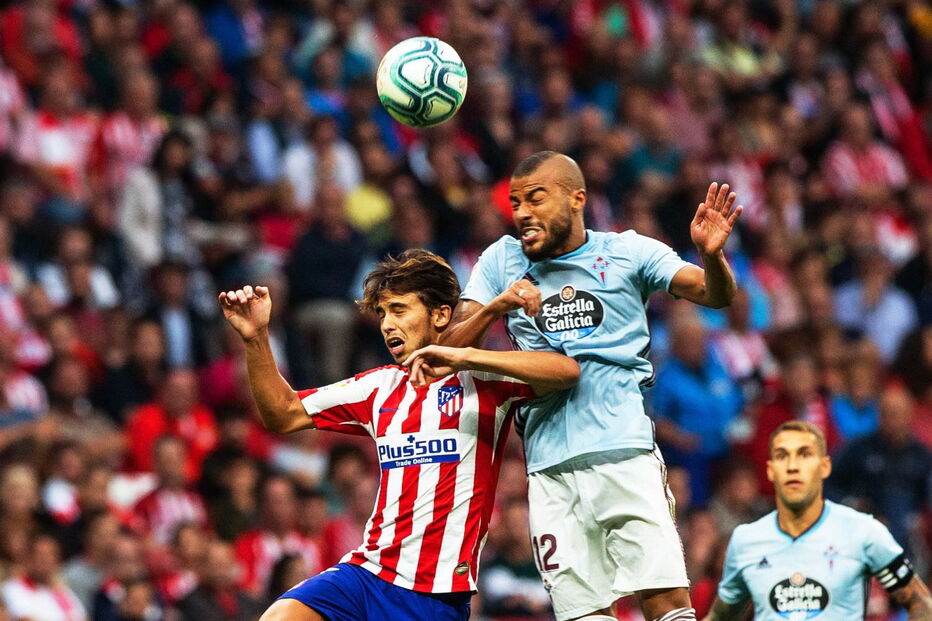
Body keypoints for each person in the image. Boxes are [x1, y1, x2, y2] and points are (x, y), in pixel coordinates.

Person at [442, 150, 743, 621]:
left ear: (576, 198)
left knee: (667, 606)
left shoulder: (628, 251)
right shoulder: (500, 260)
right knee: (585, 616)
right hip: (548, 471)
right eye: (515, 202)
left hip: (624, 454)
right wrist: (495, 307)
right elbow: (450, 349)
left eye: (536, 199)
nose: (522, 213)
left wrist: (711, 254)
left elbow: (716, 294)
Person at [218, 249, 579, 621]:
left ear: (440, 314)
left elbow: (566, 370)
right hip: (365, 574)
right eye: (383, 313)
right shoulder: (379, 387)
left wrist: (468, 356)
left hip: (434, 595)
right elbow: (283, 413)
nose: (387, 324)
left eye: (400, 310)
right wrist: (256, 337)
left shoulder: (484, 381)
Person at [703, 420, 932, 620]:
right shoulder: (746, 541)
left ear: (824, 467)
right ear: (771, 470)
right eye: (782, 456)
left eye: (804, 454)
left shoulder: (864, 532)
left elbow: (922, 605)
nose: (793, 467)